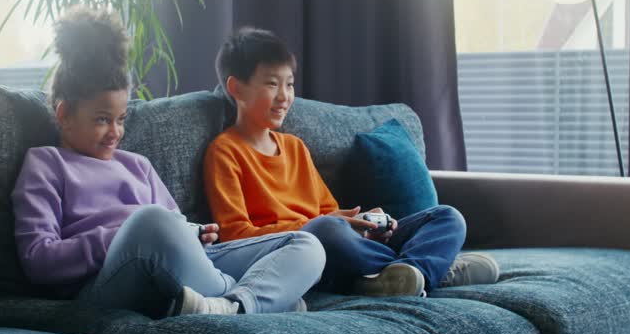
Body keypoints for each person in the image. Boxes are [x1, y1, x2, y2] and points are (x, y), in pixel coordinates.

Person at [12, 8, 324, 316]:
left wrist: (196, 233)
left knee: (306, 244)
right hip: (106, 282)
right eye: (102, 120)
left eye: (121, 119)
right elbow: (39, 260)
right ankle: (262, 298)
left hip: (178, 269)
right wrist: (122, 234)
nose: (115, 133)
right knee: (150, 221)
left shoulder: (137, 165)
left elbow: (177, 229)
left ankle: (237, 306)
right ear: (64, 114)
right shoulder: (46, 164)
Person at [202, 26, 499, 297]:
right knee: (324, 232)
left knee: (446, 217)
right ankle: (428, 268)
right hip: (301, 250)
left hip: (344, 244)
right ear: (237, 89)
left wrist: (363, 222)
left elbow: (330, 211)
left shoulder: (294, 147)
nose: (284, 96)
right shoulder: (225, 152)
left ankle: (403, 274)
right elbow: (234, 236)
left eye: (289, 85)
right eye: (271, 84)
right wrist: (318, 224)